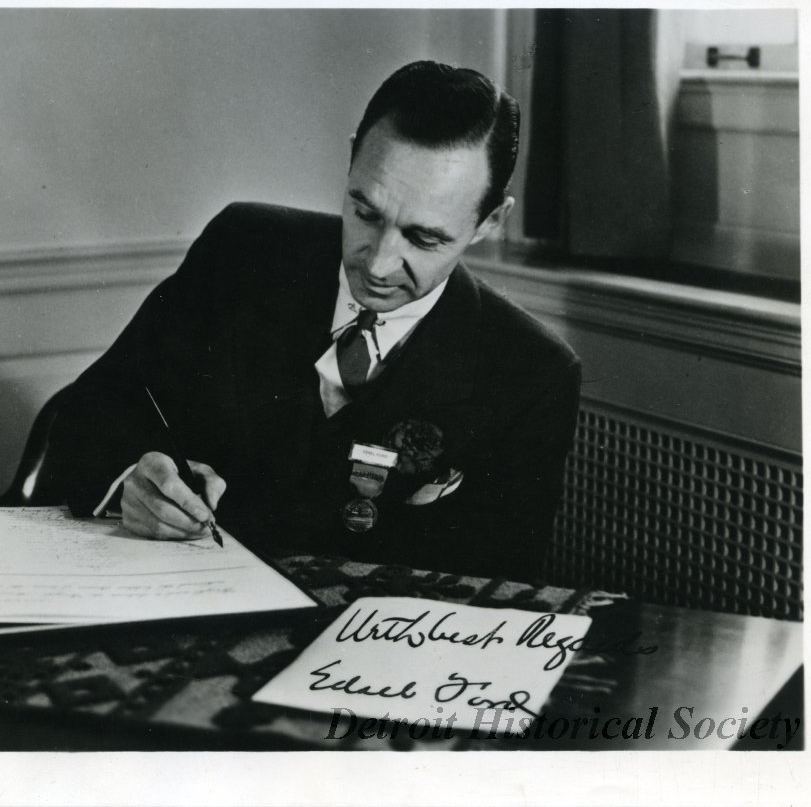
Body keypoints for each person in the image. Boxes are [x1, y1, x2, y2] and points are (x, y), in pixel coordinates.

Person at [30, 61, 581, 581]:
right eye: (365, 212)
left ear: (490, 221)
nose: (380, 263)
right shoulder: (242, 248)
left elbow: (499, 589)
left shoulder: (532, 374)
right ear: (351, 160)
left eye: (424, 237)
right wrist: (133, 482)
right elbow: (92, 410)